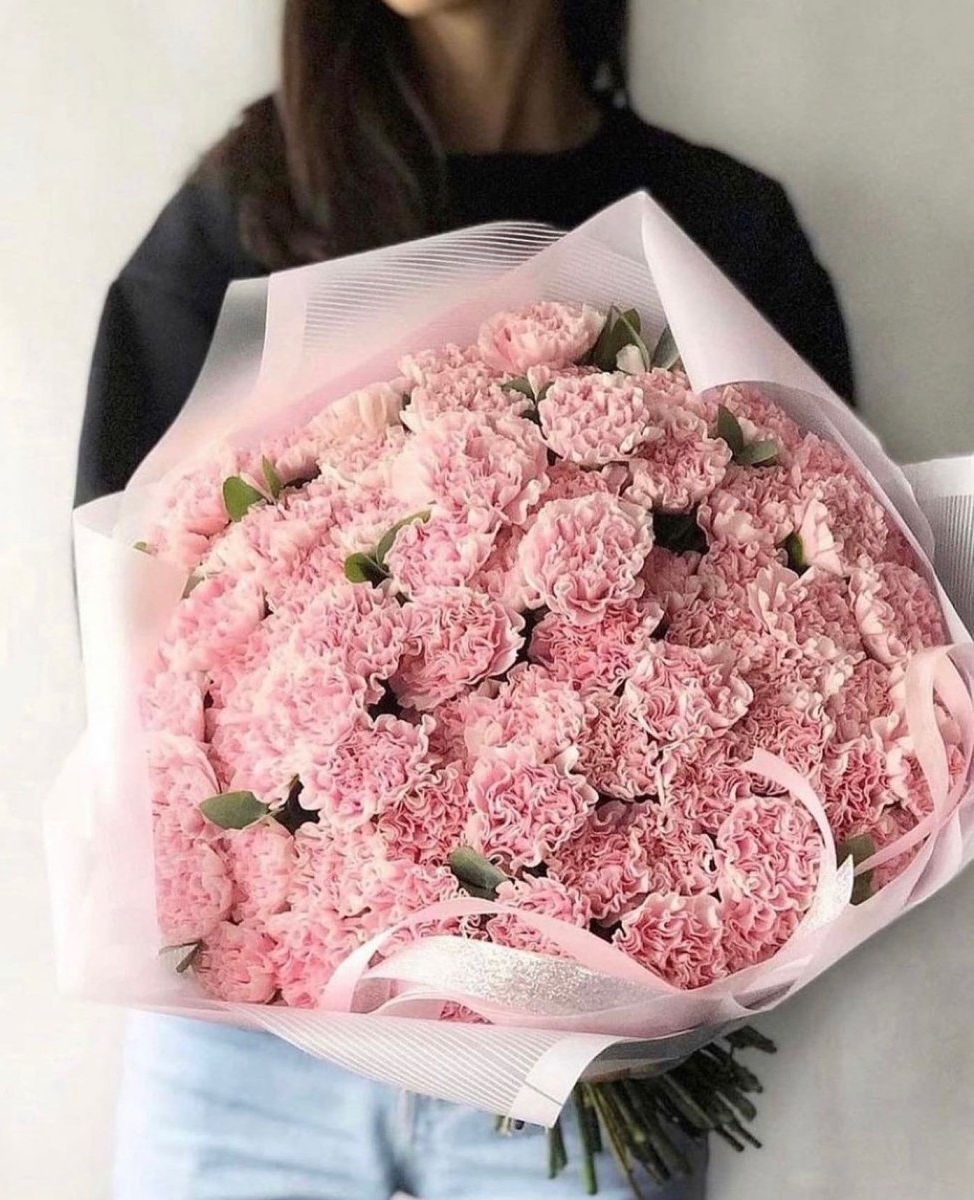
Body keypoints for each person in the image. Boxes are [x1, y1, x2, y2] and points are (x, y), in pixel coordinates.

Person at [76, 3, 855, 1197]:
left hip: (589, 1074)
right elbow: (133, 646)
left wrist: (657, 967)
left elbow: (836, 648)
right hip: (253, 1053)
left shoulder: (716, 226)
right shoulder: (254, 209)